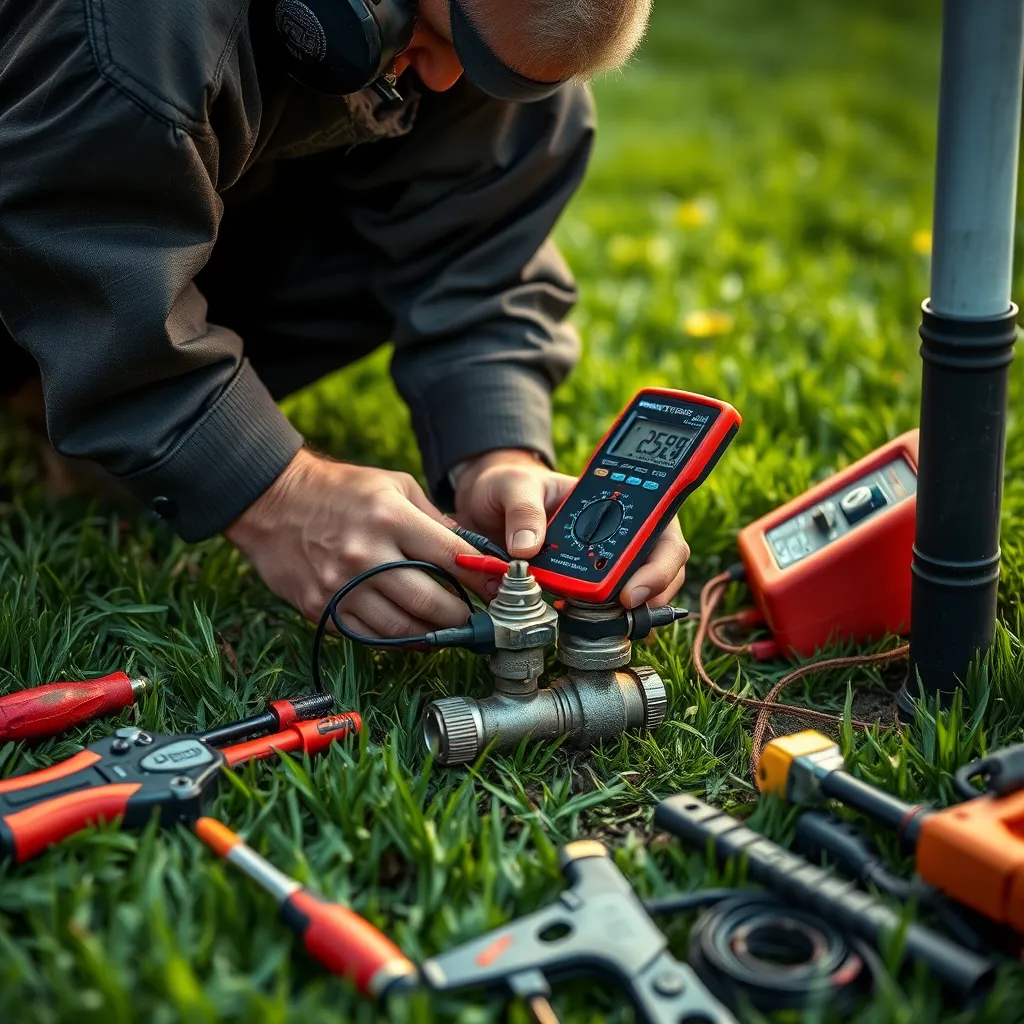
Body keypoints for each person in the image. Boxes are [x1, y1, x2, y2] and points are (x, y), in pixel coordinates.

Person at [0, 0, 689, 639]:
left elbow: (478, 242)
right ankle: (90, 385)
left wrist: (494, 450)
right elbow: (73, 241)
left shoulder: (475, 26)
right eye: (444, 41)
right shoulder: (136, 30)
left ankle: (99, 400)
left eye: (497, 73)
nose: (446, 81)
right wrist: (278, 494)